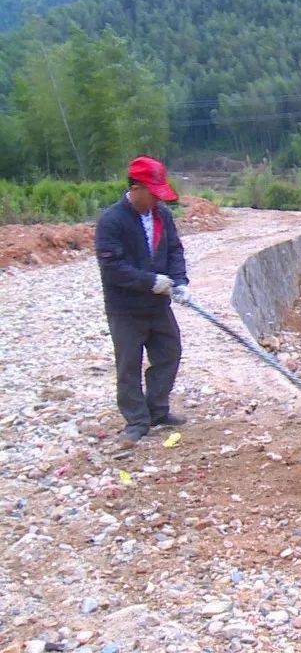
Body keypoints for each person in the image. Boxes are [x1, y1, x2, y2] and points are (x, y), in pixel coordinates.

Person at [94, 156, 190, 448]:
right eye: (153, 194)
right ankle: (136, 420)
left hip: (158, 306)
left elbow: (174, 249)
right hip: (125, 308)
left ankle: (157, 410)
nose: (157, 201)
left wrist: (180, 280)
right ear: (136, 188)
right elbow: (113, 268)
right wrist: (150, 281)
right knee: (128, 364)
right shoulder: (111, 221)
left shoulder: (162, 216)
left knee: (170, 351)